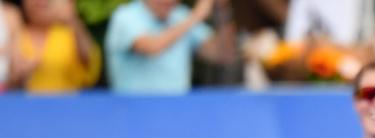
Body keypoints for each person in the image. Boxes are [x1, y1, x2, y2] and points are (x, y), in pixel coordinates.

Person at [104, 0, 235, 93]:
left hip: (176, 113)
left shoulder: (181, 15)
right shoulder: (126, 16)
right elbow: (151, 48)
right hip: (134, 113)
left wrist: (223, 11)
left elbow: (223, 55)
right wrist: (196, 16)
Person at [10, 0, 101, 93]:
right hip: (23, 105)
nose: (40, 2)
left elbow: (90, 63)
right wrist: (18, 76)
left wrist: (72, 19)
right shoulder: (16, 32)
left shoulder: (68, 33)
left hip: (66, 103)